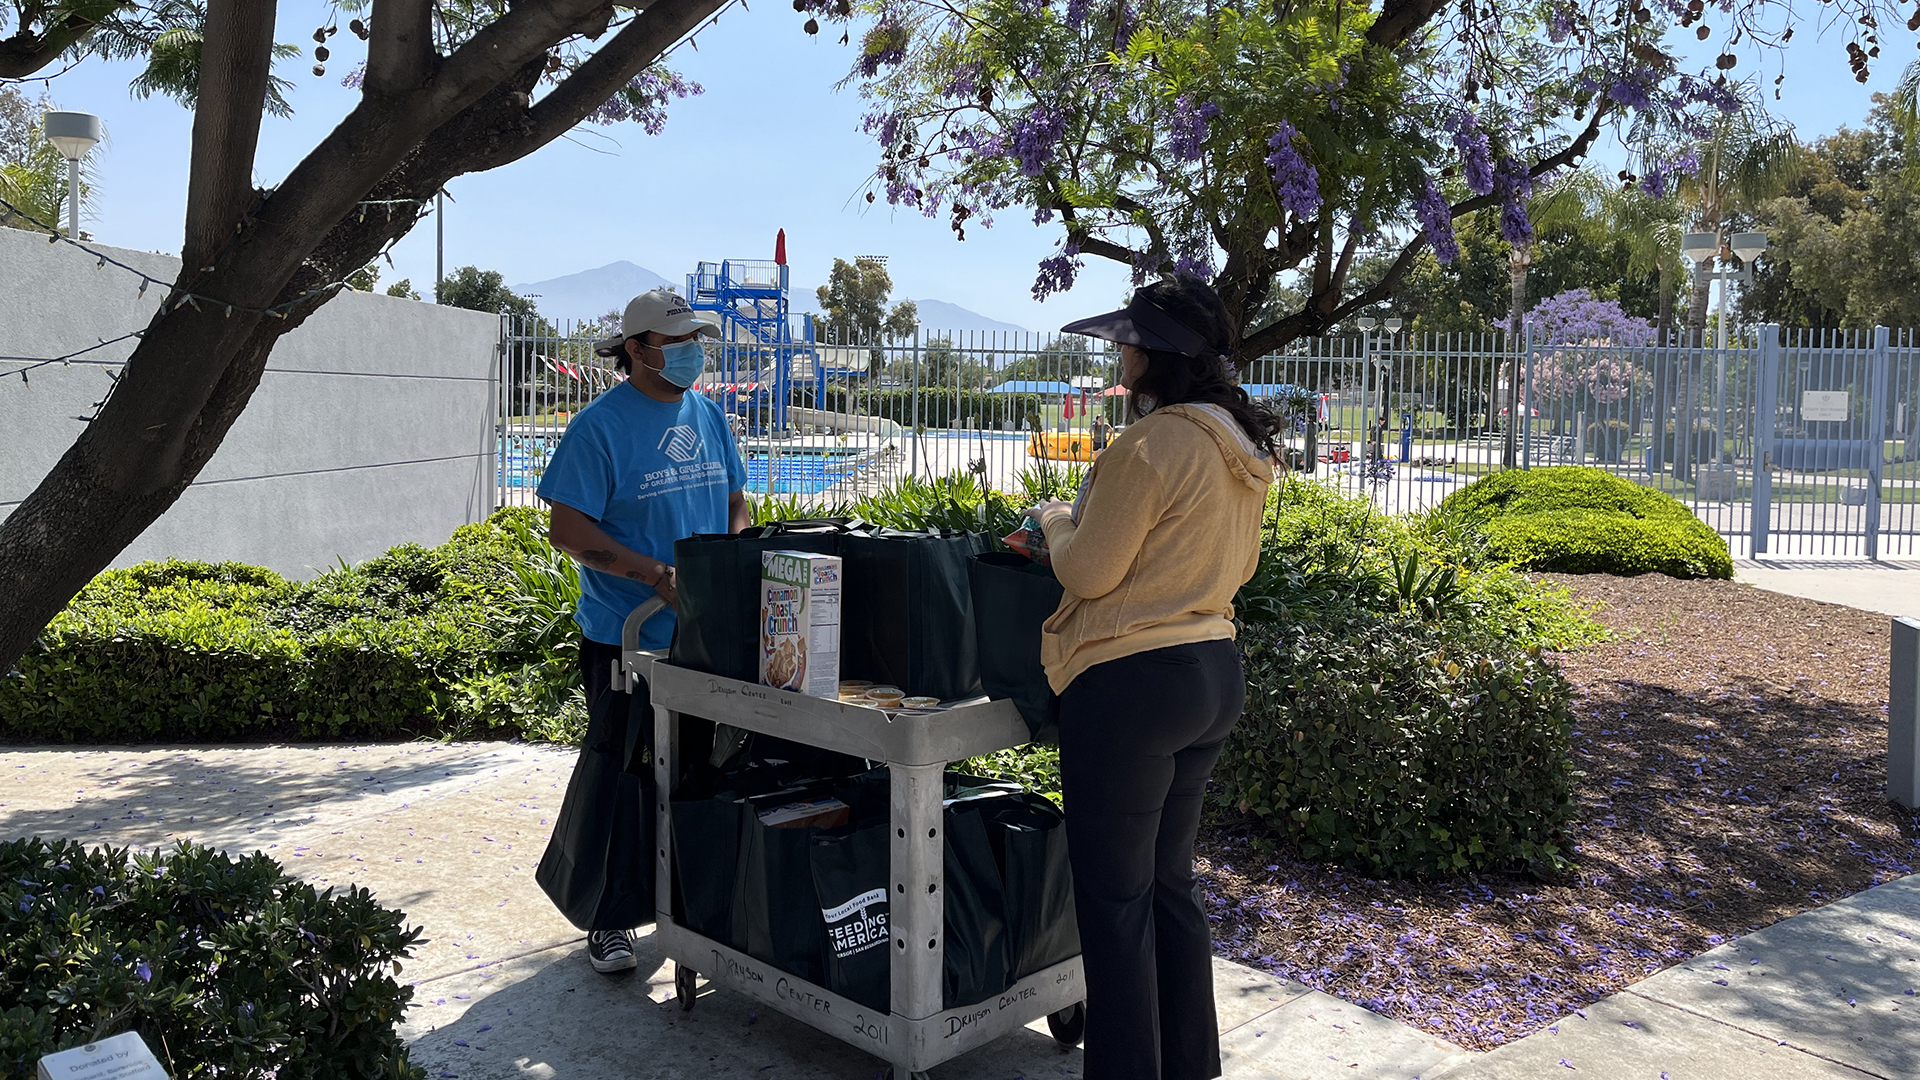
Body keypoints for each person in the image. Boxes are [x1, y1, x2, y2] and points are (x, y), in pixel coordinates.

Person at [1025, 274, 1278, 1080]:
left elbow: (1092, 572)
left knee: (1114, 902)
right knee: (1170, 887)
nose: (1120, 351)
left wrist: (1055, 521)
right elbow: (1241, 565)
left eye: (1129, 340)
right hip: (1211, 670)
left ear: (1158, 355)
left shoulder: (1150, 443)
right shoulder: (1241, 446)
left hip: (1130, 686)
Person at [536, 288, 752, 974]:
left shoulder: (709, 417)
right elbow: (568, 531)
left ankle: (683, 905)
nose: (693, 353)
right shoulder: (599, 428)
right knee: (622, 774)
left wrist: (736, 562)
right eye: (678, 341)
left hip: (703, 634)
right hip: (625, 639)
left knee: (694, 769)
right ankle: (608, 915)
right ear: (636, 348)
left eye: (697, 342)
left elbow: (736, 504)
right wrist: (656, 574)